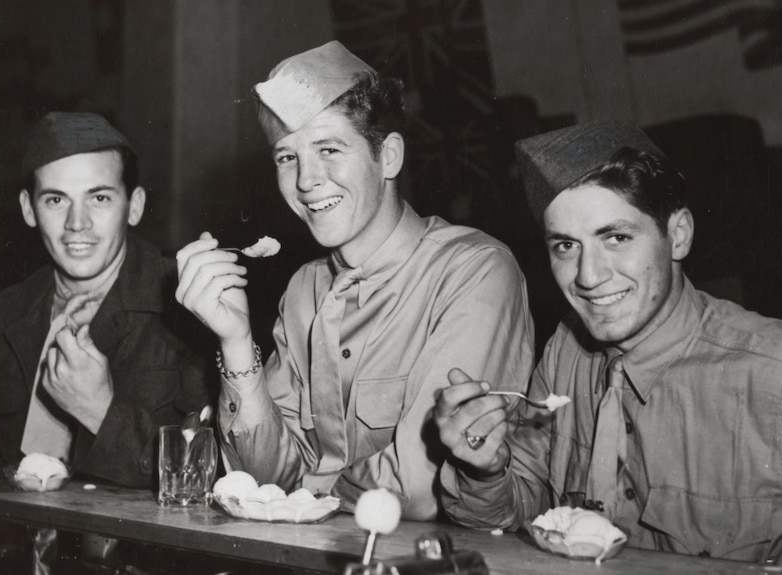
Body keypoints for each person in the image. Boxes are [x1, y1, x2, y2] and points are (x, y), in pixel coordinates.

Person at [175, 40, 535, 520]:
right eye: (287, 157)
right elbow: (259, 480)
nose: (305, 180)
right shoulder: (304, 289)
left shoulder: (474, 271)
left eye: (328, 148)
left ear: (387, 157)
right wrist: (236, 338)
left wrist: (301, 493)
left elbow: (417, 491)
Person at [434, 120, 782, 567]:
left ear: (679, 235)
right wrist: (485, 470)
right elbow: (516, 512)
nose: (589, 277)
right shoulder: (564, 354)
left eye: (616, 237)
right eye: (566, 246)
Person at [0, 111, 213, 487]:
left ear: (134, 206)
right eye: (56, 200)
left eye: (100, 197)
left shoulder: (186, 303)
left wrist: (100, 410)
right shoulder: (9, 310)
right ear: (28, 208)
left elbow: (212, 475)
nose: (78, 223)